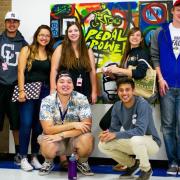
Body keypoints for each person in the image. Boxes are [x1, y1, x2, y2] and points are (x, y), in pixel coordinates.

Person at [98, 77, 161, 180]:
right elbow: (114, 131)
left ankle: (146, 170)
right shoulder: (117, 106)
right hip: (134, 141)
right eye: (121, 90)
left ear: (133, 90)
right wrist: (107, 134)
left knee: (136, 139)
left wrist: (115, 135)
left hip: (151, 141)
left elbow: (140, 131)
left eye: (127, 90)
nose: (124, 93)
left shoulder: (142, 104)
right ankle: (132, 164)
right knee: (103, 144)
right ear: (117, 92)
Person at [38, 71, 94, 176]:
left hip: (74, 138)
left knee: (87, 138)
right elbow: (47, 130)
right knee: (46, 141)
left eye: (69, 82)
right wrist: (73, 125)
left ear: (73, 85)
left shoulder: (81, 98)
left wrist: (62, 135)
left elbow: (87, 126)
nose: (65, 85)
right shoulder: (47, 101)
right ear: (56, 85)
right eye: (61, 82)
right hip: (55, 139)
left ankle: (82, 162)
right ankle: (48, 162)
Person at [18, 25, 54, 171]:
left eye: (47, 35)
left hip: (44, 92)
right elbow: (20, 71)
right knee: (26, 123)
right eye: (41, 35)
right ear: (36, 35)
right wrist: (21, 91)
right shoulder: (27, 49)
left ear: (49, 38)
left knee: (39, 126)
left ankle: (34, 157)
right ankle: (23, 158)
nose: (44, 38)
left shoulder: (50, 54)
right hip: (28, 91)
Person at [150, 0, 180, 175]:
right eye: (178, 9)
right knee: (168, 126)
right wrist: (160, 79)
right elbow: (155, 57)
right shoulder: (160, 32)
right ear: (173, 11)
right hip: (166, 86)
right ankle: (173, 163)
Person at [0, 11, 27, 164]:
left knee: (16, 123)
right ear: (5, 23)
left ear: (18, 24)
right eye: (9, 21)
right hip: (0, 85)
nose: (12, 24)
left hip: (16, 87)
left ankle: (18, 153)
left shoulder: (24, 44)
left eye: (14, 21)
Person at [50, 21, 97, 104]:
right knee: (67, 116)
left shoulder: (88, 50)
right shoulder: (60, 48)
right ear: (67, 34)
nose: (73, 33)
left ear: (80, 32)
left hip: (84, 90)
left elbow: (92, 72)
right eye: (70, 31)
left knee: (83, 116)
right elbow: (54, 70)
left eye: (76, 30)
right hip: (65, 90)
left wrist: (94, 91)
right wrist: (53, 89)